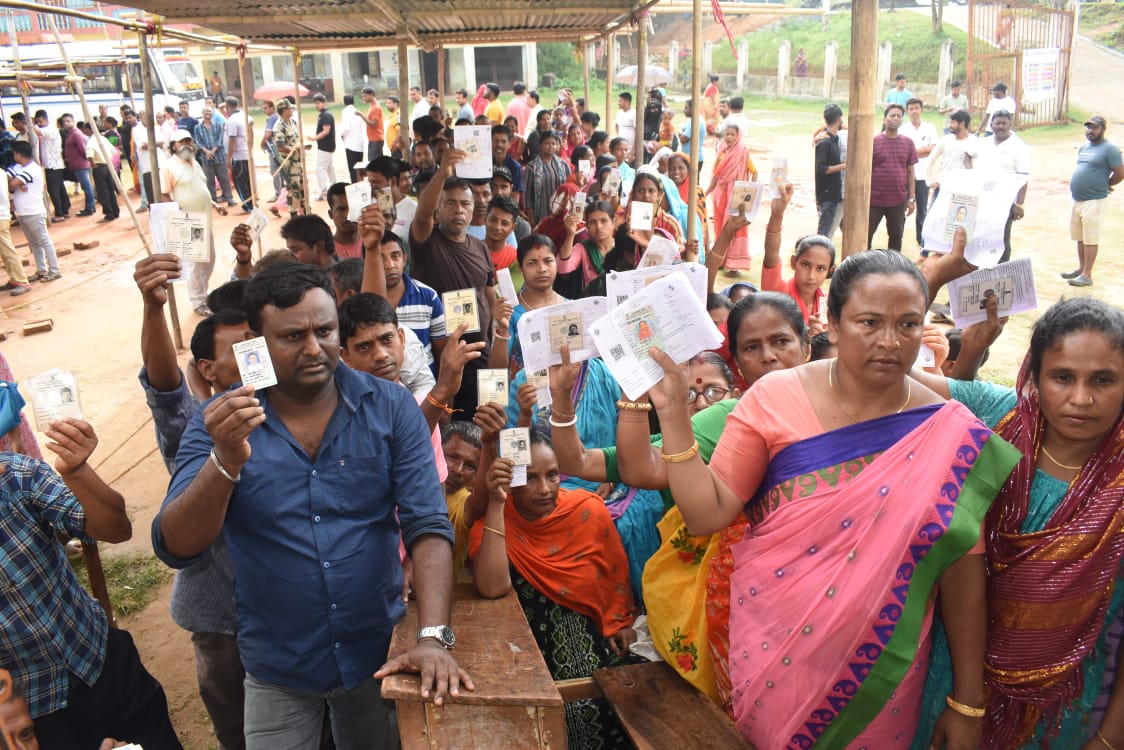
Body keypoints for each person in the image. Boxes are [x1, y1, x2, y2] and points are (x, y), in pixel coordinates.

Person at [649, 247, 1019, 746]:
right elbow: (706, 511)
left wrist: (968, 703)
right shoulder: (774, 397)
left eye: (908, 324)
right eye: (869, 322)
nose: (889, 342)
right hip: (774, 651)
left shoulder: (947, 431)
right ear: (833, 322)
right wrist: (673, 419)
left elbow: (962, 572)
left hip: (883, 672)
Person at [154, 263, 472, 749]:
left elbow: (427, 524)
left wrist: (431, 636)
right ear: (256, 342)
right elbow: (176, 545)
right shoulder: (219, 422)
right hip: (277, 666)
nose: (313, 348)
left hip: (377, 654)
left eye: (324, 331)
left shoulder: (391, 408)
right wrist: (225, 462)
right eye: (292, 335)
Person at [910, 297, 1124, 750]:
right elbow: (883, 373)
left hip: (1058, 710)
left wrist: (1110, 738)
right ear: (1034, 377)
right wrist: (965, 345)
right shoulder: (997, 417)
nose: (1081, 399)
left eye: (1103, 380)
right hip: (951, 680)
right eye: (1062, 377)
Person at [2, 414, 183, 748]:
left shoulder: (17, 477)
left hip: (100, 659)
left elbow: (115, 528)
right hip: (32, 717)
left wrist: (77, 472)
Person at [134, 254, 252, 749]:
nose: (255, 356)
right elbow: (164, 385)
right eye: (240, 348)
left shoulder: (296, 409)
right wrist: (153, 307)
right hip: (219, 614)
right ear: (208, 368)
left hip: (286, 614)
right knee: (236, 724)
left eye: (260, 343)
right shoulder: (197, 422)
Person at [470, 433, 640, 749]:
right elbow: (492, 588)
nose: (545, 489)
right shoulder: (496, 523)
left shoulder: (587, 510)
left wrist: (619, 623)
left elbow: (614, 576)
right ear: (512, 479)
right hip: (524, 663)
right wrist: (496, 502)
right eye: (531, 478)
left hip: (592, 653)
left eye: (552, 475)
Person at [409, 148, 507, 416]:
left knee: (490, 418)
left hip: (483, 353)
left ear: (474, 209)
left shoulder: (480, 247)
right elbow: (422, 215)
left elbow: (489, 296)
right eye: (449, 203)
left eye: (464, 203)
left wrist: (494, 332)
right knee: (454, 426)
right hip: (447, 357)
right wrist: (443, 172)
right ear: (439, 210)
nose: (458, 210)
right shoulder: (427, 242)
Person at [162, 130, 229, 316]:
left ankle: (202, 293)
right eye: (181, 141)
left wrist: (215, 205)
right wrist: (179, 218)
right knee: (194, 264)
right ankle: (198, 301)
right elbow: (165, 194)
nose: (186, 144)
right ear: (173, 145)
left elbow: (200, 189)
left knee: (208, 260)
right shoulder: (169, 167)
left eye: (189, 141)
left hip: (205, 219)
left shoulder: (194, 162)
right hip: (188, 222)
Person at [368, 230, 448, 368]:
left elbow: (442, 350)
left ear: (404, 259)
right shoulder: (362, 302)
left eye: (395, 256)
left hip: (425, 386)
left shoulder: (428, 296)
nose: (390, 265)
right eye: (381, 258)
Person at [1062, 115, 1123, 287]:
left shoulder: (1110, 149)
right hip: (1078, 200)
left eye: (1094, 128)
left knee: (1091, 238)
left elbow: (1120, 173)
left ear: (1103, 129)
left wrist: (1106, 184)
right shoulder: (1083, 148)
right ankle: (1082, 269)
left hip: (1094, 201)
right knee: (1080, 237)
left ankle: (1087, 275)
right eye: (1088, 127)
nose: (1090, 131)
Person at [760, 211, 834, 330]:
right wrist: (777, 213)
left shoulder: (829, 303)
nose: (811, 276)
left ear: (830, 270)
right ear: (794, 262)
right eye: (805, 265)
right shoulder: (779, 294)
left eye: (820, 269)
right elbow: (771, 252)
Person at [6, 142, 62, 283]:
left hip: (33, 211)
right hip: (25, 212)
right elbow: (8, 179)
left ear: (18, 154)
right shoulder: (20, 167)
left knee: (43, 241)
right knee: (34, 242)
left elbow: (11, 184)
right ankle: (41, 269)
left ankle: (54, 270)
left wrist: (16, 182)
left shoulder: (31, 169)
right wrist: (16, 182)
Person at [867, 104, 918, 252]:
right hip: (874, 200)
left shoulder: (908, 143)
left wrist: (911, 199)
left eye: (898, 116)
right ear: (885, 119)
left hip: (898, 200)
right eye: (892, 115)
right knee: (866, 236)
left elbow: (910, 173)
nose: (895, 118)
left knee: (896, 238)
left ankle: (894, 269)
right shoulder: (874, 142)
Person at [981, 110, 1030, 264]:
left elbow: (1023, 177)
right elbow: (968, 156)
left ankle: (1000, 272)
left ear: (1011, 125)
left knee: (1001, 238)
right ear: (991, 125)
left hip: (1006, 201)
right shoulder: (985, 143)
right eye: (997, 123)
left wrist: (1019, 204)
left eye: (1004, 123)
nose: (1000, 126)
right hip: (984, 199)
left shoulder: (1018, 146)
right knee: (983, 236)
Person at [707, 123, 753, 273]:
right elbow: (716, 174)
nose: (729, 137)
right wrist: (707, 191)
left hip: (736, 195)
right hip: (721, 195)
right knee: (720, 226)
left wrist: (750, 189)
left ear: (738, 135)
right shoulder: (722, 151)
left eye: (733, 134)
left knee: (735, 226)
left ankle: (734, 265)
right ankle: (720, 260)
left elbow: (754, 170)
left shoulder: (743, 151)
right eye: (727, 134)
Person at [900, 98, 938, 246]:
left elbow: (932, 149)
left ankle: (922, 242)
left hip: (923, 175)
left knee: (922, 210)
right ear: (907, 111)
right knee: (901, 209)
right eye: (911, 108)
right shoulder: (902, 130)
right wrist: (922, 151)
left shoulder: (930, 128)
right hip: (905, 175)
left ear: (921, 110)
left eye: (917, 108)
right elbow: (903, 152)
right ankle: (898, 241)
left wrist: (912, 152)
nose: (914, 111)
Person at [927, 110, 979, 203]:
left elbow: (978, 167)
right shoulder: (946, 140)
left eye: (953, 122)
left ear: (962, 124)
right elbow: (930, 159)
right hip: (943, 186)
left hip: (964, 189)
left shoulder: (975, 142)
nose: (950, 125)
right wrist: (930, 180)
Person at [523, 130, 572, 227]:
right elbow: (527, 192)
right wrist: (530, 215)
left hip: (560, 212)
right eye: (547, 143)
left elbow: (570, 187)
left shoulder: (563, 165)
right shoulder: (532, 167)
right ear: (540, 145)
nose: (551, 146)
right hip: (541, 213)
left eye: (553, 143)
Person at [814, 103, 846, 239]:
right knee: (824, 234)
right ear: (839, 119)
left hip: (834, 194)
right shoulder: (824, 142)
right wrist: (844, 166)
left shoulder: (834, 139)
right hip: (827, 195)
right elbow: (821, 169)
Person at [194, 106, 236, 208]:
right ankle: (213, 200)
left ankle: (229, 198)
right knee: (209, 181)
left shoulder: (218, 125)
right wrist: (207, 152)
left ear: (212, 113)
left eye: (210, 111)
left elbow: (221, 138)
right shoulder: (197, 127)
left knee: (224, 178)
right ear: (202, 113)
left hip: (219, 156)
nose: (208, 113)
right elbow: (198, 141)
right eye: (206, 111)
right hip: (206, 158)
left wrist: (212, 151)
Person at [32, 110, 69, 220]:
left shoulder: (50, 129)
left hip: (53, 164)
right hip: (53, 164)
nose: (39, 124)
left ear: (46, 119)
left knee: (53, 190)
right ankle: (64, 209)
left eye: (40, 121)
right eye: (37, 122)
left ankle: (59, 213)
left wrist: (32, 123)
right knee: (59, 188)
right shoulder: (48, 129)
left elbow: (37, 131)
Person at [272, 99, 306, 218]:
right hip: (289, 163)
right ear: (284, 110)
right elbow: (280, 146)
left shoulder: (292, 122)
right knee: (293, 189)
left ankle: (305, 210)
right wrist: (294, 149)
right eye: (289, 109)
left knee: (303, 186)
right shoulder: (279, 126)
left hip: (298, 161)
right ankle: (293, 214)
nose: (291, 111)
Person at [0, 168, 31, 295]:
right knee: (5, 251)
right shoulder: (2, 172)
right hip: (3, 214)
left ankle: (22, 280)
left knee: (7, 251)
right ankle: (15, 278)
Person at [61, 114, 96, 217]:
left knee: (87, 186)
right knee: (86, 186)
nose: (66, 123)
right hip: (77, 165)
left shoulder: (76, 134)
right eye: (64, 122)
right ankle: (90, 206)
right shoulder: (71, 134)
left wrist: (85, 160)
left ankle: (89, 207)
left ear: (73, 121)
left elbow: (83, 149)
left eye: (68, 121)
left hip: (81, 164)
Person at [84, 122, 119, 222]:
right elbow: (113, 151)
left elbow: (89, 154)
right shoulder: (103, 138)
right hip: (108, 165)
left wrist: (93, 164)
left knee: (103, 192)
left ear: (89, 129)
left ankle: (109, 214)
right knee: (110, 189)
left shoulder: (92, 140)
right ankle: (115, 211)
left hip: (99, 166)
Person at [306, 94, 336, 202]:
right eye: (315, 103)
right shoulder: (323, 114)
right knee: (329, 168)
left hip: (325, 146)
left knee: (320, 169)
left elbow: (326, 131)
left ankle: (324, 192)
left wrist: (314, 138)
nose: (316, 105)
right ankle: (335, 187)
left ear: (324, 103)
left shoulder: (326, 115)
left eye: (318, 103)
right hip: (327, 146)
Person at [224, 98, 252, 213]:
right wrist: (250, 148)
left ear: (227, 107)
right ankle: (251, 204)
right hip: (245, 154)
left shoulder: (232, 120)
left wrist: (229, 158)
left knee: (241, 183)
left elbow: (232, 140)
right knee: (247, 181)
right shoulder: (245, 116)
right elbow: (251, 132)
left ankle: (248, 206)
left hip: (238, 156)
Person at [326, 182, 363, 259]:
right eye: (341, 209)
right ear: (330, 214)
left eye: (353, 209)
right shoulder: (326, 253)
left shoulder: (374, 244)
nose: (348, 215)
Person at [339, 95, 366, 183]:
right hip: (359, 144)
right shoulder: (357, 111)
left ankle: (355, 187)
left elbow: (346, 128)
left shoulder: (345, 112)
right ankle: (361, 186)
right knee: (359, 169)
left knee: (353, 170)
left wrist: (342, 135)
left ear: (344, 102)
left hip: (350, 145)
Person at [260, 100, 283, 202]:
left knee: (275, 171)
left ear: (272, 108)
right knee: (280, 171)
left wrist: (262, 143)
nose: (264, 110)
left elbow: (268, 134)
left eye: (266, 108)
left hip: (274, 150)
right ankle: (282, 192)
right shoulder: (274, 118)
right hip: (276, 148)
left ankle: (278, 193)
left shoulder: (273, 118)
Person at [358, 87, 384, 161]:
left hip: (376, 138)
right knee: (375, 162)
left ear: (372, 94)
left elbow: (373, 124)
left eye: (365, 96)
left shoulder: (375, 107)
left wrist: (361, 115)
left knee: (373, 163)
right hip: (373, 138)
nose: (364, 98)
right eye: (363, 96)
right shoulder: (372, 106)